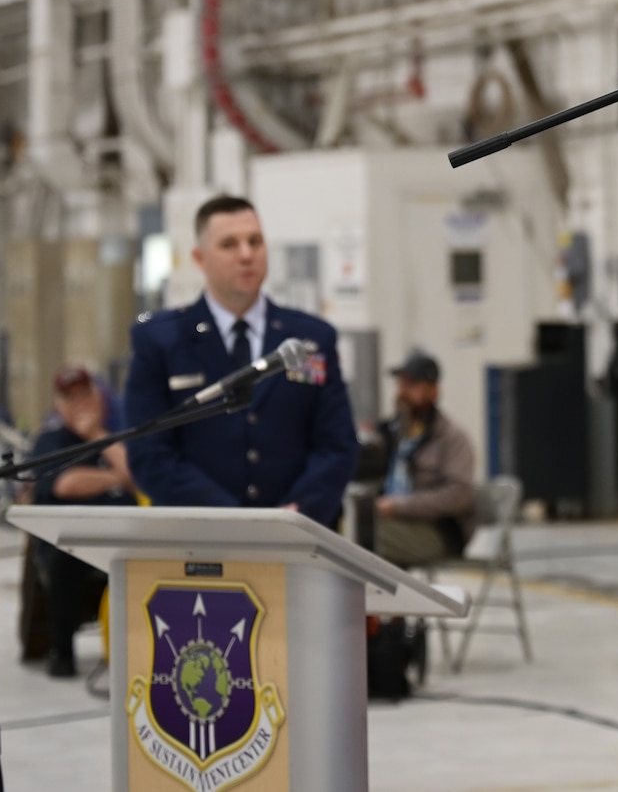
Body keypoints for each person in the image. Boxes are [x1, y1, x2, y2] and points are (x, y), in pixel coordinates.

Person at [123, 195, 357, 525]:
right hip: (199, 536)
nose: (247, 255)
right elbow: (150, 454)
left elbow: (337, 446)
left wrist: (298, 512)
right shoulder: (162, 342)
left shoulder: (310, 339)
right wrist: (231, 520)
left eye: (255, 242)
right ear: (199, 258)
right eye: (229, 244)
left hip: (301, 535)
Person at [27, 365, 137, 677]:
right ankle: (62, 650)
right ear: (58, 406)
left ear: (99, 397)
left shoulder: (119, 436)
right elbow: (66, 484)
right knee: (66, 557)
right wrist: (118, 477)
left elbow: (141, 477)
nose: (80, 404)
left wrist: (97, 437)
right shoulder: (51, 441)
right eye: (70, 398)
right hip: (71, 542)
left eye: (85, 395)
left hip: (123, 536)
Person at [372, 350, 478, 568]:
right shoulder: (392, 432)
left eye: (412, 384)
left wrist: (398, 507)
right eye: (400, 384)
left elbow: (458, 495)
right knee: (349, 527)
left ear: (434, 390)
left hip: (438, 530)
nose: (402, 391)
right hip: (392, 521)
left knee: (364, 537)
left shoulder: (452, 437)